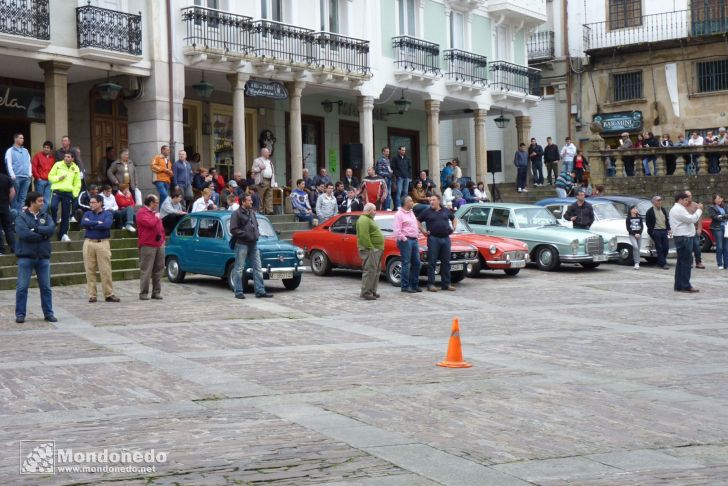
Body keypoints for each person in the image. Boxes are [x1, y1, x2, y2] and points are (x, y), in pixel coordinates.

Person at [14, 192, 57, 323]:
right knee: (22, 288)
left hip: (43, 256)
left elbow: (51, 229)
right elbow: (24, 234)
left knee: (46, 288)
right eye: (40, 201)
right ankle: (20, 314)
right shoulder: (21, 217)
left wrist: (36, 229)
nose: (42, 203)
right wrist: (42, 235)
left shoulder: (46, 215)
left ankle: (48, 313)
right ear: (32, 202)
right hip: (26, 257)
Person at [230, 194, 272, 299]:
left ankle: (260, 291)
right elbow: (233, 229)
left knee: (258, 268)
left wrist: (256, 234)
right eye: (249, 200)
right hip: (242, 244)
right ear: (243, 202)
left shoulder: (252, 212)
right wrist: (246, 234)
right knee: (239, 268)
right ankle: (238, 291)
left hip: (253, 243)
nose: (251, 202)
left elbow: (255, 225)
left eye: (251, 200)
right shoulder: (236, 214)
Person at [80, 195, 119, 303]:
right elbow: (83, 223)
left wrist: (90, 224)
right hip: (89, 242)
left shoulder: (108, 214)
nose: (91, 204)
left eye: (93, 202)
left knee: (105, 269)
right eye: (90, 202)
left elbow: (106, 225)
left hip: (102, 243)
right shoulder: (87, 213)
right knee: (89, 269)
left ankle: (108, 294)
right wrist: (97, 223)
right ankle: (92, 295)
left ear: (100, 203)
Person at [417, 194, 457, 292]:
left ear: (439, 201)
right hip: (433, 239)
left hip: (446, 238)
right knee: (432, 262)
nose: (431, 202)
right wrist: (423, 231)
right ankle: (431, 284)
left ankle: (446, 284)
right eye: (430, 200)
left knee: (446, 262)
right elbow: (417, 220)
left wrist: (454, 227)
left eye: (433, 200)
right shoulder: (426, 211)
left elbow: (454, 218)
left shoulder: (446, 210)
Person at [669, 191, 703, 292]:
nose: (687, 202)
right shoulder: (678, 209)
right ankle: (685, 285)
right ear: (680, 199)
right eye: (685, 200)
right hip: (684, 238)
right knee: (686, 263)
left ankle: (679, 285)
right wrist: (699, 210)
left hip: (682, 237)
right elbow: (692, 219)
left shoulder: (678, 209)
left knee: (681, 262)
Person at [136, 194, 165, 300]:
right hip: (147, 245)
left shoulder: (155, 213)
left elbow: (160, 227)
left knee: (159, 269)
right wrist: (156, 217)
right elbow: (150, 224)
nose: (157, 204)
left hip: (159, 244)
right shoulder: (141, 213)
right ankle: (143, 293)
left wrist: (162, 239)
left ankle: (156, 292)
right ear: (151, 203)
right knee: (146, 270)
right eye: (156, 202)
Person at [49, 152, 82, 242]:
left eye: (68, 157)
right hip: (57, 190)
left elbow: (77, 183)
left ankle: (63, 234)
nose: (66, 158)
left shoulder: (75, 168)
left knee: (66, 215)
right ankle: (54, 223)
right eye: (65, 157)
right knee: (53, 206)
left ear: (72, 158)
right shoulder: (58, 164)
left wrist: (74, 194)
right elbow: (50, 176)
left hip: (68, 193)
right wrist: (58, 178)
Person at [393, 196, 422, 293]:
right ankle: (405, 286)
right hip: (406, 240)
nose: (412, 202)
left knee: (417, 263)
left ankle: (414, 285)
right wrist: (404, 239)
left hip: (414, 240)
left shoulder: (411, 212)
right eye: (410, 201)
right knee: (406, 263)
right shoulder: (399, 214)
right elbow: (397, 230)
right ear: (405, 203)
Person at [356, 202, 384, 300]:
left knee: (375, 271)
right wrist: (371, 248)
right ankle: (366, 292)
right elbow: (364, 236)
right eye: (374, 210)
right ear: (369, 210)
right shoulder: (364, 219)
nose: (375, 212)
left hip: (376, 250)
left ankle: (372, 291)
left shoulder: (369, 219)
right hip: (370, 250)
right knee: (370, 270)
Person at [5, 133, 32, 212]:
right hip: (16, 176)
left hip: (26, 177)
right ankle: (15, 215)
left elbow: (29, 162)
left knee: (23, 197)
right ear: (15, 139)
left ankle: (20, 215)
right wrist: (12, 175)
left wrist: (30, 174)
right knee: (14, 197)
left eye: (23, 138)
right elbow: (8, 163)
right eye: (20, 138)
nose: (22, 140)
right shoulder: (10, 150)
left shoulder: (25, 150)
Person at [645, 195, 671, 270]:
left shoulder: (663, 210)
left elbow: (666, 220)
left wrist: (668, 229)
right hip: (656, 231)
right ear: (653, 202)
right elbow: (648, 223)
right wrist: (652, 231)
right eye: (658, 201)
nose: (660, 202)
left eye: (660, 200)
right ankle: (663, 263)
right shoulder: (650, 211)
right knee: (659, 247)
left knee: (666, 247)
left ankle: (660, 262)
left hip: (664, 230)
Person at [251, 147, 276, 215]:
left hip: (270, 180)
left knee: (269, 196)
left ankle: (269, 211)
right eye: (268, 152)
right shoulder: (257, 160)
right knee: (260, 196)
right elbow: (253, 170)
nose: (269, 153)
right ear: (263, 153)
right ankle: (260, 210)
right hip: (262, 180)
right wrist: (259, 168)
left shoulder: (269, 161)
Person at [31, 140, 54, 211]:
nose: (46, 149)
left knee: (47, 201)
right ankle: (37, 215)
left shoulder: (52, 158)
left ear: (50, 149)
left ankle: (43, 216)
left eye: (48, 147)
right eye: (45, 147)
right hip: (40, 181)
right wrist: (38, 178)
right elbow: (33, 167)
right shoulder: (38, 155)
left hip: (49, 181)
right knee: (38, 200)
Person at [707, 194, 728, 269]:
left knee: (726, 247)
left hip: (726, 228)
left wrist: (721, 216)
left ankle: (726, 264)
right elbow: (715, 217)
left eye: (720, 198)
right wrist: (724, 216)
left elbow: (722, 216)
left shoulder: (725, 206)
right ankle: (720, 264)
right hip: (717, 228)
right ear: (714, 200)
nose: (719, 200)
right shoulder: (711, 207)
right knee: (720, 246)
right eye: (718, 198)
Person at [685, 190, 705, 269]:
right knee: (688, 248)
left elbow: (699, 218)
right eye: (688, 196)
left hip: (695, 229)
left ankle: (698, 262)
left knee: (697, 246)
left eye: (690, 195)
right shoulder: (682, 206)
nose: (690, 197)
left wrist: (699, 228)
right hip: (685, 230)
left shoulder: (696, 205)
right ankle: (689, 262)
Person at [0, 170, 15, 254]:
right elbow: (13, 192)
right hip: (5, 205)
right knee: (8, 228)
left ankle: (1, 250)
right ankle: (14, 248)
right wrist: (7, 202)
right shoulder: (6, 178)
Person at [626, 205, 643, 269]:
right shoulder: (628, 218)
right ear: (631, 210)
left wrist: (639, 233)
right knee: (635, 247)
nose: (636, 209)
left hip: (639, 235)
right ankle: (636, 262)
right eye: (634, 208)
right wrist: (634, 234)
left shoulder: (639, 218)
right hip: (632, 235)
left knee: (638, 248)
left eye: (636, 208)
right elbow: (628, 228)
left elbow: (641, 227)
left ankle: (637, 262)